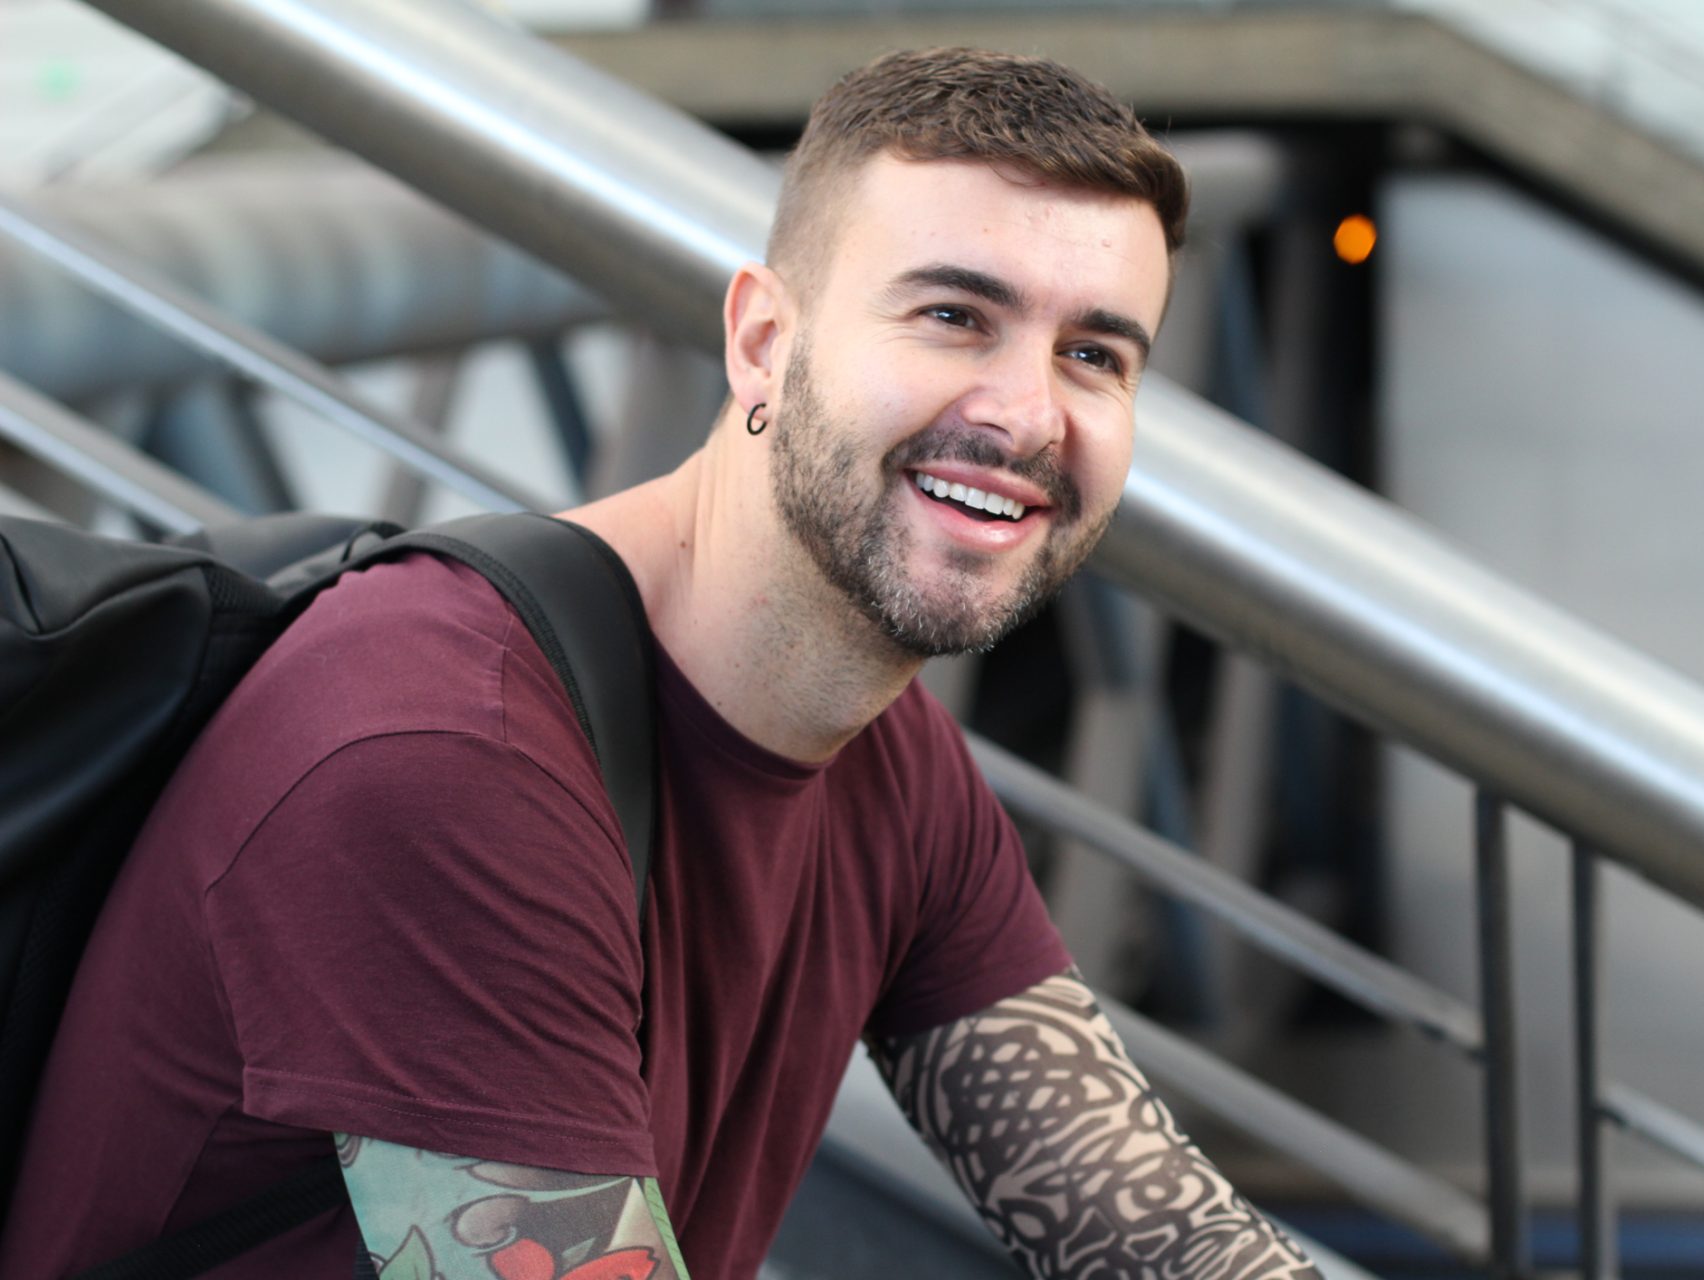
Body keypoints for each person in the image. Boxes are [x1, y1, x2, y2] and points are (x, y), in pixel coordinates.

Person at [0, 47, 1322, 1280]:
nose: (1028, 413)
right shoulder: (439, 753)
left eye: (1094, 355)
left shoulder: (887, 752)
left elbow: (1138, 1217)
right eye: (954, 316)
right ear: (762, 339)